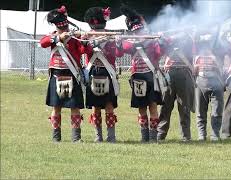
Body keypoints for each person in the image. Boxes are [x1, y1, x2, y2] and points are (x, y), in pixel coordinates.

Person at [40, 6, 91, 142]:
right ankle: (56, 138)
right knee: (56, 107)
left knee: (74, 107)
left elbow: (82, 51)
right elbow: (43, 42)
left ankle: (76, 138)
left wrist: (85, 41)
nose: (64, 30)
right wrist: (58, 38)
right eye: (61, 29)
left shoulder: (74, 38)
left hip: (72, 73)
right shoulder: (53, 36)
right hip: (56, 74)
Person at [117, 5, 165, 142]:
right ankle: (144, 137)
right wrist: (119, 42)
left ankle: (153, 137)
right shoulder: (130, 43)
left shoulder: (151, 41)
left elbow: (159, 53)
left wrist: (159, 41)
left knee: (153, 107)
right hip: (138, 77)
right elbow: (120, 52)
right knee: (142, 108)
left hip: (150, 75)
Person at [83, 7, 124, 142]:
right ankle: (98, 137)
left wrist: (118, 43)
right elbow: (84, 51)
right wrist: (86, 41)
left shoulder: (111, 35)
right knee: (95, 107)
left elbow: (119, 54)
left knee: (109, 105)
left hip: (108, 72)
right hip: (93, 70)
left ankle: (111, 137)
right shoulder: (87, 36)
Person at [193, 29, 231, 142]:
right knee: (200, 111)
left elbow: (228, 48)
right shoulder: (197, 50)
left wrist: (223, 36)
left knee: (217, 111)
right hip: (201, 80)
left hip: (216, 80)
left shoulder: (219, 50)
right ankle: (201, 135)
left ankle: (214, 135)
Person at [157, 32, 195, 142]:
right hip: (169, 73)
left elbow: (188, 46)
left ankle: (186, 136)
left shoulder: (187, 38)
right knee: (166, 106)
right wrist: (161, 36)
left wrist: (171, 36)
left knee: (184, 107)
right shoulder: (167, 38)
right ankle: (160, 134)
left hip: (183, 72)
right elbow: (160, 47)